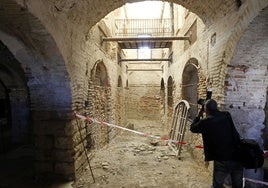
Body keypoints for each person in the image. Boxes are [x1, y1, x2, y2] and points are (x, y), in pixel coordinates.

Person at [190, 99, 243, 188]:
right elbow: (218, 114)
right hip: (237, 155)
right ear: (216, 107)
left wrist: (199, 115)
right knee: (237, 185)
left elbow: (192, 128)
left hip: (221, 159)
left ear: (206, 110)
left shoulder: (206, 122)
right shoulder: (226, 115)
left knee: (217, 185)